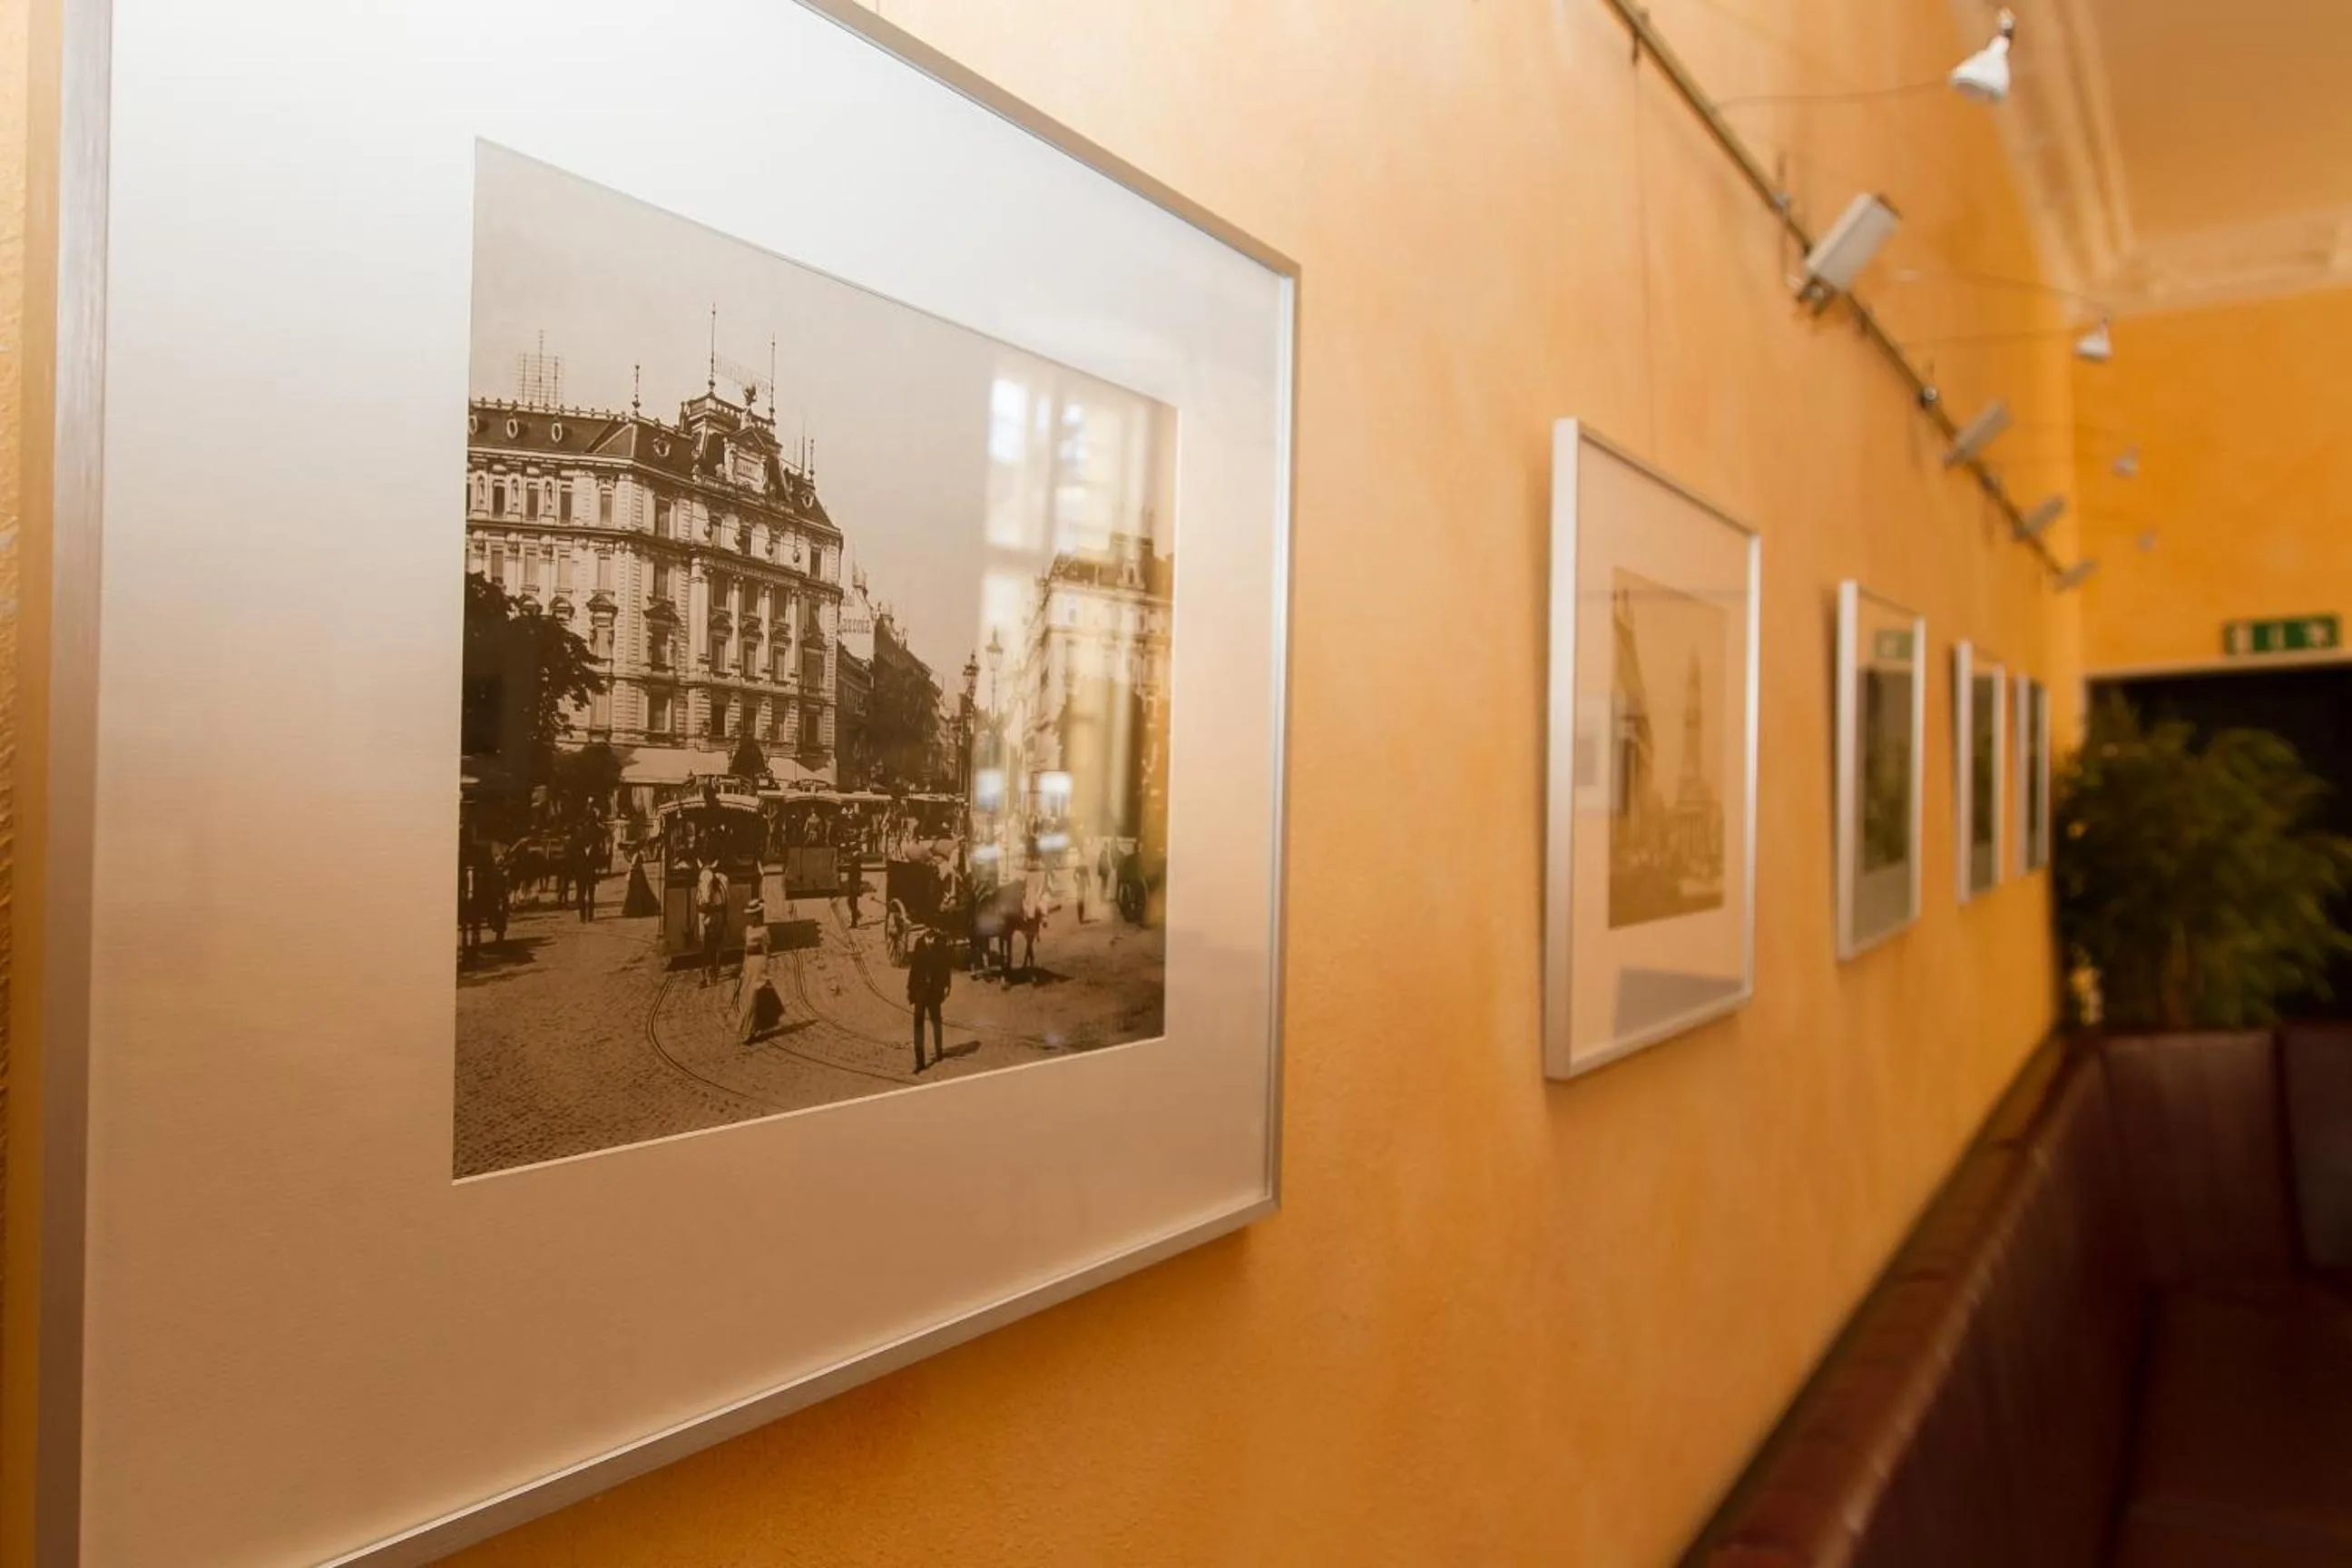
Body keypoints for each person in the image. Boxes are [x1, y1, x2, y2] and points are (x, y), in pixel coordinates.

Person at [735, 896, 782, 1044]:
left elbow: (756, 950)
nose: (755, 918)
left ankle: (750, 1030)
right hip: (754, 964)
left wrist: (749, 969)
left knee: (752, 996)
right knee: (752, 996)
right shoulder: (755, 931)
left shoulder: (755, 931)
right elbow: (755, 949)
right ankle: (751, 1030)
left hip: (754, 963)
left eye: (756, 915)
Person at [906, 924, 951, 1073]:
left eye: (931, 928)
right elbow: (914, 968)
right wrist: (910, 990)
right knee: (918, 1023)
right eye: (927, 928)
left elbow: (946, 967)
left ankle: (939, 1051)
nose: (929, 931)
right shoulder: (919, 943)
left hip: (935, 991)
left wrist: (946, 986)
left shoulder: (941, 944)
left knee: (936, 1021)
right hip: (920, 990)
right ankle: (920, 1061)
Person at [695, 858, 730, 986]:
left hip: (717, 910)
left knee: (717, 938)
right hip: (703, 909)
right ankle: (703, 972)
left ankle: (715, 967)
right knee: (703, 940)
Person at [571, 824, 601, 922]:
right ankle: (582, 916)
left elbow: (598, 861)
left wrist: (597, 870)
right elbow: (573, 861)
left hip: (591, 874)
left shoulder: (595, 846)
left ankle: (590, 915)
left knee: (591, 896)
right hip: (580, 874)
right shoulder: (576, 846)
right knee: (581, 895)